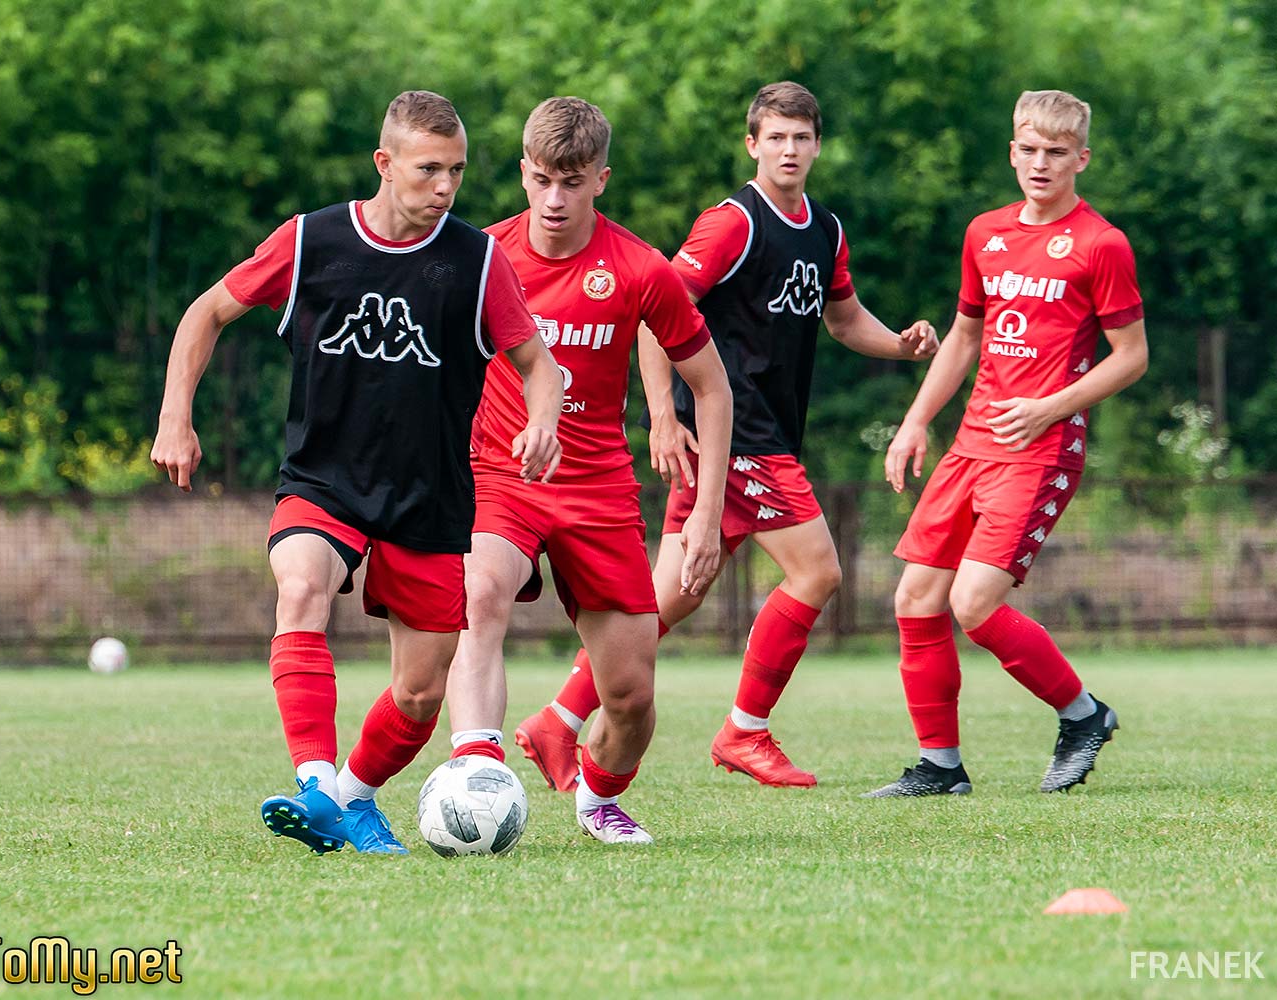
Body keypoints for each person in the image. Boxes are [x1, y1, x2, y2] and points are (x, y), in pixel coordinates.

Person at [150, 91, 563, 854]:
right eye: (429, 169)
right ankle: (314, 784)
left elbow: (538, 364)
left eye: (457, 171)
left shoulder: (476, 262)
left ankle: (351, 797)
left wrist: (544, 421)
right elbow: (206, 312)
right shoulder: (312, 241)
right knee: (301, 587)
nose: (445, 187)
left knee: (421, 691)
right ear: (385, 163)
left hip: (429, 496)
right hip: (324, 480)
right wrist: (176, 415)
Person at [515, 81, 938, 792]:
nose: (789, 149)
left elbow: (843, 319)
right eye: (776, 137)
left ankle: (557, 719)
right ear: (752, 145)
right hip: (741, 435)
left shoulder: (825, 230)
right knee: (819, 572)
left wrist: (900, 344)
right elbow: (656, 310)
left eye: (801, 137)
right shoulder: (732, 224)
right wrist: (663, 413)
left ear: (818, 145)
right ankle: (745, 730)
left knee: (673, 595)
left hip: (765, 433)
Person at [442, 97, 732, 844]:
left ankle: (599, 798)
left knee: (631, 698)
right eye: (541, 180)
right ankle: (476, 769)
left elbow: (712, 387)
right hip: (500, 474)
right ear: (522, 173)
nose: (553, 199)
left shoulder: (640, 268)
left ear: (600, 179)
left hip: (599, 487)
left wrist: (705, 515)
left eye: (571, 183)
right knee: (480, 594)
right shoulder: (481, 256)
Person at [865, 89, 1147, 797]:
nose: (1040, 163)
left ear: (1081, 158)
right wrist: (916, 421)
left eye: (1056, 151)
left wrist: (1050, 407)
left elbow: (1132, 356)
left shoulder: (1101, 244)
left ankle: (1083, 715)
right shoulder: (984, 233)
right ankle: (941, 766)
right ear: (1012, 152)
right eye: (1029, 149)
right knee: (916, 599)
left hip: (1040, 451)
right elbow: (965, 336)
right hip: (971, 445)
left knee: (973, 604)